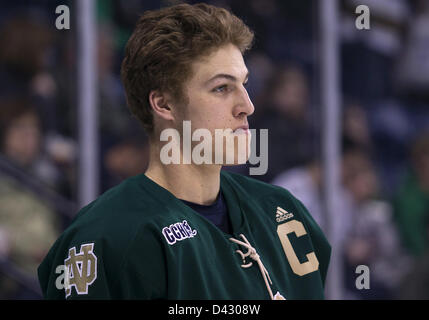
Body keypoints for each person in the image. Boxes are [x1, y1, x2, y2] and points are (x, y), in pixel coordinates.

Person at [38, 3, 330, 300]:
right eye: (221, 88)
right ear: (164, 105)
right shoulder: (107, 235)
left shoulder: (282, 211)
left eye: (244, 84)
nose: (247, 106)